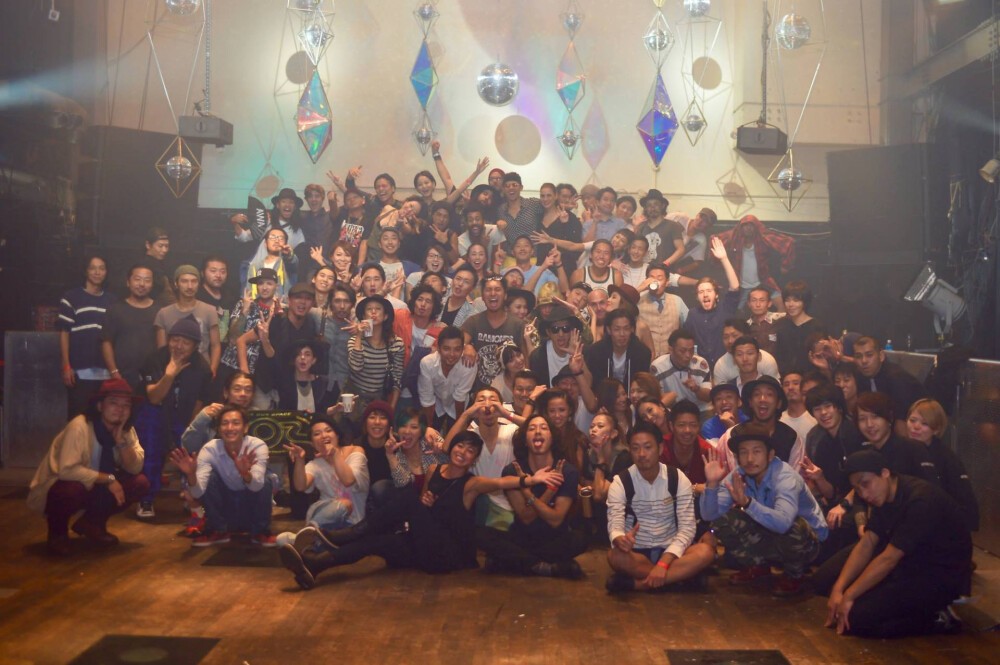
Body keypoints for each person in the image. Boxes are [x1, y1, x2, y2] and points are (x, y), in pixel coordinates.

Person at [278, 431, 564, 589]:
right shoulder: (434, 469)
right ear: (452, 448)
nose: (462, 452)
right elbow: (424, 507)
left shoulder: (472, 483)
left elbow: (501, 482)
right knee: (377, 542)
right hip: (422, 546)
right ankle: (317, 564)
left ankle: (346, 534)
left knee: (407, 500)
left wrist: (531, 480)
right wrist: (425, 504)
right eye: (460, 446)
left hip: (447, 555)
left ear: (474, 459)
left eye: (470, 451)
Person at [820, 450, 972, 638]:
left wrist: (849, 595)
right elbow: (868, 542)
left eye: (866, 484)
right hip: (910, 562)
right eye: (857, 489)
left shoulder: (921, 499)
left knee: (856, 619)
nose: (864, 494)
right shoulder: (883, 495)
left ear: (884, 473)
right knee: (830, 587)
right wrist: (839, 589)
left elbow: (889, 558)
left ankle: (938, 617)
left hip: (939, 573)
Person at [701, 422, 828, 596]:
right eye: (743, 452)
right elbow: (710, 515)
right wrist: (712, 484)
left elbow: (784, 524)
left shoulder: (785, 477)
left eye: (756, 451)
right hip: (770, 532)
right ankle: (758, 566)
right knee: (723, 520)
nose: (749, 459)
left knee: (795, 526)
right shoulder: (739, 474)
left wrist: (747, 503)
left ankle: (794, 575)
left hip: (809, 544)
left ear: (770, 455)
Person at [27, 378, 149, 556]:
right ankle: (57, 533)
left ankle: (92, 524)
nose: (120, 409)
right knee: (70, 490)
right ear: (100, 406)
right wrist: (109, 479)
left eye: (126, 405)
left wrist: (121, 443)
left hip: (95, 485)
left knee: (140, 483)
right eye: (113, 403)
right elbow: (67, 471)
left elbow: (135, 468)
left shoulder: (126, 430)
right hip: (61, 485)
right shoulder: (80, 426)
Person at [604, 422, 716, 593]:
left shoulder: (677, 478)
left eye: (648, 447)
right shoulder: (621, 482)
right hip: (637, 552)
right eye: (635, 448)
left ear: (661, 448)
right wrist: (620, 539)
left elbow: (687, 529)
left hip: (672, 552)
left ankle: (640, 584)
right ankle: (678, 579)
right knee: (615, 556)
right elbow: (615, 524)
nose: (642, 454)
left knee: (705, 552)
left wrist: (663, 563)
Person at [477, 414, 587, 578]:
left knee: (580, 538)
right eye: (532, 428)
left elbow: (556, 519)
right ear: (524, 440)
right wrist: (548, 490)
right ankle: (544, 566)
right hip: (522, 537)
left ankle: (513, 562)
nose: (538, 432)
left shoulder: (567, 471)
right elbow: (526, 517)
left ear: (552, 438)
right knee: (481, 535)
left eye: (544, 428)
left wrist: (528, 492)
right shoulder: (513, 471)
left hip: (555, 538)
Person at [134, 315, 212, 518]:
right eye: (175, 340)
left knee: (192, 449)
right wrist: (169, 375)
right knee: (151, 448)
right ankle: (146, 499)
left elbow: (199, 402)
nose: (178, 346)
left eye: (185, 342)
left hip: (183, 416)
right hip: (155, 411)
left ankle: (191, 496)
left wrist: (190, 429)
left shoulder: (202, 367)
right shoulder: (155, 359)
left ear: (195, 346)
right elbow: (153, 398)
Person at [169, 405, 276, 547]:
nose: (230, 428)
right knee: (210, 477)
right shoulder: (210, 449)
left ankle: (261, 532)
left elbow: (257, 487)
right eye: (225, 423)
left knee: (266, 480)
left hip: (250, 510)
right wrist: (191, 474)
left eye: (236, 423)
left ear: (245, 428)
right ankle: (218, 531)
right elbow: (198, 493)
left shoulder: (257, 446)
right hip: (227, 510)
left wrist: (246, 474)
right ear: (219, 429)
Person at [277, 415, 369, 548]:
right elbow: (300, 486)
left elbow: (348, 480)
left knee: (345, 505)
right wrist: (300, 460)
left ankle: (305, 540)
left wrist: (335, 454)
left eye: (328, 430)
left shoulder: (355, 451)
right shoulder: (316, 464)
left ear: (337, 435)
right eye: (317, 434)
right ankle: (310, 537)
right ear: (313, 443)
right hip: (324, 519)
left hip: (353, 523)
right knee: (281, 539)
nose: (323, 435)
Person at [803, 383, 866, 561]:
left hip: (863, 499)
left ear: (838, 407)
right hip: (835, 501)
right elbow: (830, 494)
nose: (823, 413)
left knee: (839, 525)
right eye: (817, 409)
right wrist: (820, 478)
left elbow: (866, 479)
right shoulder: (814, 438)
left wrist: (844, 505)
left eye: (828, 406)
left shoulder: (856, 431)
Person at [905, 399, 979, 532]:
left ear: (936, 430)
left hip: (946, 526)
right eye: (912, 420)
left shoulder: (946, 458)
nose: (916, 427)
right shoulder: (905, 449)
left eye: (924, 423)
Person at [59, 255, 116, 417]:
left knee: (103, 418)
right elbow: (64, 332)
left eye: (102, 268)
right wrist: (66, 366)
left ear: (106, 272)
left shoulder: (112, 301)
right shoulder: (71, 297)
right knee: (79, 418)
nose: (97, 272)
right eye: (93, 268)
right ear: (86, 271)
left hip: (106, 371)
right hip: (80, 370)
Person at [718, 375, 804, 471]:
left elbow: (795, 477)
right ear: (750, 402)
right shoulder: (731, 435)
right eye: (756, 394)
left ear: (779, 403)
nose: (762, 399)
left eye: (769, 394)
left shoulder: (792, 438)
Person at [712, 214, 795, 309]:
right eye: (745, 225)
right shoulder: (735, 238)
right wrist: (717, 264)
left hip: (763, 282)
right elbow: (714, 240)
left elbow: (788, 242)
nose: (748, 228)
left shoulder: (763, 238)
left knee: (782, 307)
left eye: (751, 225)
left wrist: (785, 266)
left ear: (756, 227)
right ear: (741, 228)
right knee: (732, 311)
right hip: (741, 285)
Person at [853, 336, 927, 437]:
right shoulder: (860, 376)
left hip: (918, 428)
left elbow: (901, 422)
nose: (864, 361)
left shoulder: (896, 378)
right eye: (858, 356)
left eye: (869, 355)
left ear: (881, 356)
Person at [461, 274, 526, 390]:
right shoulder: (473, 321)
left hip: (508, 391)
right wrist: (466, 346)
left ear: (505, 295)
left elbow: (526, 360)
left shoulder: (518, 324)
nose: (492, 293)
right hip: (479, 392)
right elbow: (457, 344)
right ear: (482, 296)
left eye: (497, 289)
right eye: (488, 290)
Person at [154, 265, 221, 376]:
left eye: (194, 281)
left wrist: (212, 370)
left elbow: (215, 345)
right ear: (176, 284)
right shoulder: (164, 313)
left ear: (198, 284)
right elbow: (162, 349)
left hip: (201, 370)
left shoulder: (209, 310)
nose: (190, 286)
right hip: (172, 370)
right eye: (184, 281)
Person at [685, 238, 741, 368]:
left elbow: (735, 287)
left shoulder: (726, 308)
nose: (705, 294)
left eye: (709, 291)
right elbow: (687, 341)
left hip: (726, 366)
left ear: (716, 295)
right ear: (697, 297)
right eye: (701, 292)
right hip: (701, 368)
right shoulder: (693, 314)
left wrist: (724, 259)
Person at [101, 264, 158, 390]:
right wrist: (114, 372)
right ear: (128, 282)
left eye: (147, 280)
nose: (142, 284)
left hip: (152, 378)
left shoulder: (160, 311)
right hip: (121, 376)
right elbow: (106, 342)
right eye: (137, 279)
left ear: (152, 284)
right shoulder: (115, 309)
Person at [346, 294, 405, 414]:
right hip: (354, 398)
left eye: (378, 309)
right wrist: (359, 336)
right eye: (369, 309)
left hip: (379, 399)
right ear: (363, 316)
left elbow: (397, 379)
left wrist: (391, 408)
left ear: (385, 316)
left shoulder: (396, 343)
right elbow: (356, 367)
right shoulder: (354, 341)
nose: (373, 312)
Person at [418, 325, 476, 430]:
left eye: (457, 349)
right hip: (437, 403)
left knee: (456, 434)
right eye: (446, 349)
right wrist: (429, 428)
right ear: (438, 348)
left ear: (463, 349)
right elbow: (427, 399)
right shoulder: (427, 363)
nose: (452, 354)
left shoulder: (469, 365)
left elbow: (460, 397)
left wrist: (459, 427)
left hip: (459, 406)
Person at [584, 308, 651, 389]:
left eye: (626, 329)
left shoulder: (642, 353)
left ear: (632, 329)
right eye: (617, 329)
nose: (622, 334)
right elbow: (596, 384)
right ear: (609, 330)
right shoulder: (596, 352)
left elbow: (642, 385)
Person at [650, 328, 711, 410]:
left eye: (691, 350)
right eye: (682, 351)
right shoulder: (658, 367)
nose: (688, 355)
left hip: (699, 409)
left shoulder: (700, 364)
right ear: (671, 350)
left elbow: (709, 397)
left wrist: (697, 389)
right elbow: (657, 400)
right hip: (672, 410)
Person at [636, 264, 688, 358]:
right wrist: (640, 288)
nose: (655, 282)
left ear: (667, 282)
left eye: (659, 278)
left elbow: (689, 326)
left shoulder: (677, 300)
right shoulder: (638, 301)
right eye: (651, 278)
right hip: (645, 358)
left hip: (671, 359)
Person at [773, 280, 824, 375]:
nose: (791, 304)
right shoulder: (781, 325)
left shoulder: (816, 326)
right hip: (786, 377)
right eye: (787, 300)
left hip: (811, 377)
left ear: (805, 302)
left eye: (796, 300)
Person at [712, 318, 780, 385]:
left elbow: (775, 388)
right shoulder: (720, 365)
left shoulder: (767, 360)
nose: (730, 341)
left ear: (746, 336)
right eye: (726, 337)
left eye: (735, 336)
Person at [528, 305, 583, 386]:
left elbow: (589, 385)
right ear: (548, 332)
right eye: (555, 329)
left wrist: (576, 354)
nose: (561, 334)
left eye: (565, 328)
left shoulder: (581, 350)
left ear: (572, 331)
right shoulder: (538, 356)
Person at [275, 339, 335, 413]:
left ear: (313, 360)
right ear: (293, 360)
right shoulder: (285, 383)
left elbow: (323, 411)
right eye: (298, 354)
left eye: (307, 354)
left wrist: (335, 409)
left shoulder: (322, 382)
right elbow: (282, 411)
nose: (302, 357)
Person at [635, 189, 685, 268]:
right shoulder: (641, 227)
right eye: (649, 205)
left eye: (656, 204)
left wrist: (664, 265)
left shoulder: (673, 226)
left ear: (663, 206)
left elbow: (680, 249)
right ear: (646, 208)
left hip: (666, 271)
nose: (652, 208)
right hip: (644, 270)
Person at [246, 227, 299, 300]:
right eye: (272, 237)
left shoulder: (287, 263)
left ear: (286, 244)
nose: (276, 241)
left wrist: (289, 255)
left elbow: (293, 263)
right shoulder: (254, 266)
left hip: (282, 305)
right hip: (258, 305)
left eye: (281, 238)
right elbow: (249, 291)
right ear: (265, 243)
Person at [498, 172, 544, 250]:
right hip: (510, 255)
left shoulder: (533, 204)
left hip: (532, 255)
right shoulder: (501, 210)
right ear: (503, 189)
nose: (511, 188)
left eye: (514, 185)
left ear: (521, 187)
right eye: (507, 186)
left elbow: (550, 208)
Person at [196, 256, 232, 343]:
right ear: (202, 273)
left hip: (225, 348)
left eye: (222, 272)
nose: (218, 275)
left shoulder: (230, 297)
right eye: (213, 271)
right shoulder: (196, 297)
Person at [780, 370, 818, 444]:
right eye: (786, 384)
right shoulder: (779, 420)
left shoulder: (815, 417)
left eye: (795, 383)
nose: (790, 387)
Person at [746, 285, 785, 355]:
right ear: (749, 304)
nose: (758, 304)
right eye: (754, 300)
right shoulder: (745, 326)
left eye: (762, 300)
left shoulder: (781, 319)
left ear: (769, 303)